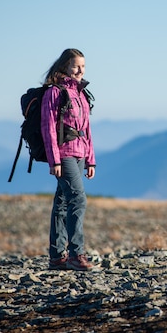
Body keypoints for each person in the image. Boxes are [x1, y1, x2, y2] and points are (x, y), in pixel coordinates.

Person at [41, 48, 96, 271]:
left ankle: (56, 257)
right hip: (63, 155)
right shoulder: (54, 93)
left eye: (83, 66)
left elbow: (87, 129)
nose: (80, 70)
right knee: (78, 199)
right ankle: (76, 254)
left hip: (80, 153)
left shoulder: (82, 94)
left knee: (63, 203)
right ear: (65, 66)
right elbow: (48, 129)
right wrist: (54, 160)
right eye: (76, 66)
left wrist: (91, 160)